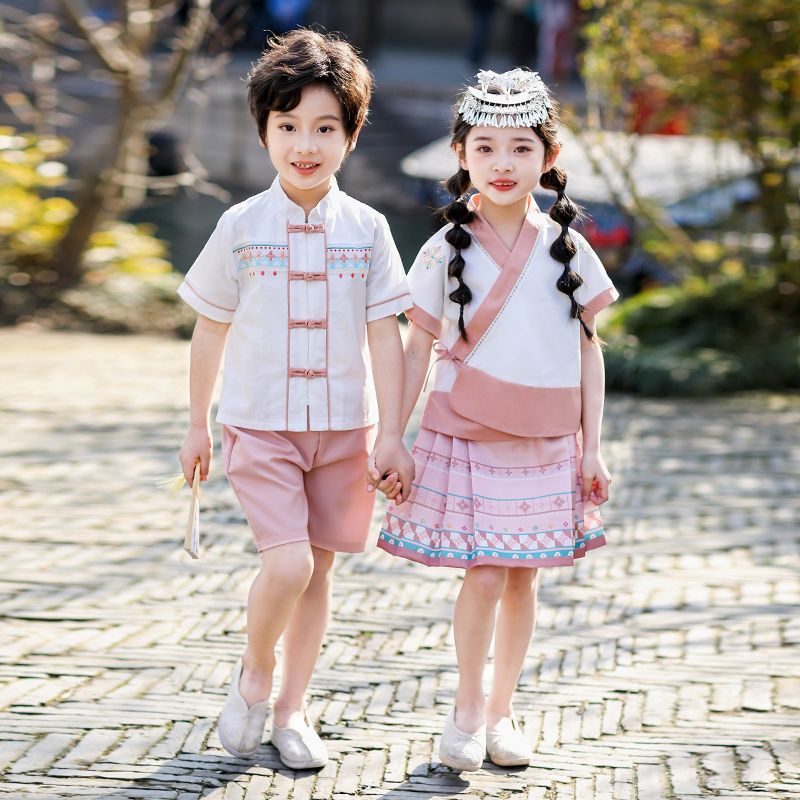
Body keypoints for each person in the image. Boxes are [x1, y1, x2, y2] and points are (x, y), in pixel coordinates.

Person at [177, 29, 414, 768]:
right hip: (261, 427)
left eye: (323, 128)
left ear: (350, 135)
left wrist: (392, 434)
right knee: (288, 567)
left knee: (321, 572)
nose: (304, 144)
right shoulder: (239, 228)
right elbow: (209, 331)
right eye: (287, 127)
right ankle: (255, 671)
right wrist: (196, 426)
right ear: (264, 131)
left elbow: (386, 336)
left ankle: (292, 711)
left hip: (348, 431)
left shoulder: (369, 231)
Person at [372, 68, 618, 771]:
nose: (503, 164)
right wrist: (394, 435)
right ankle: (467, 710)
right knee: (482, 574)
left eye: (519, 148)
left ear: (549, 157)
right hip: (465, 432)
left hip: (546, 438)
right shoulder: (446, 248)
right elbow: (417, 347)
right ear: (461, 154)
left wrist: (591, 447)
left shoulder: (568, 248)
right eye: (485, 148)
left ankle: (505, 711)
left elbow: (587, 355)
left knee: (523, 577)